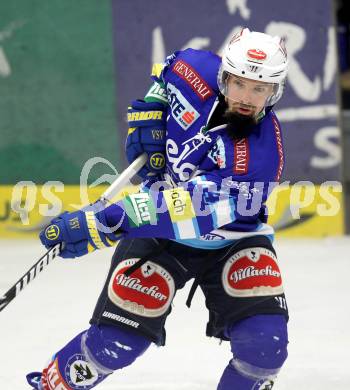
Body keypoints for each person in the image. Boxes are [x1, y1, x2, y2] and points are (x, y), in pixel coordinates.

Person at [27, 28, 289, 390]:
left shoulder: (261, 156)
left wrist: (106, 221)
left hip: (233, 240)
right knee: (114, 345)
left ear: (274, 92)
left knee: (265, 347)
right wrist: (151, 112)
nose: (247, 98)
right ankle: (50, 384)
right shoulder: (192, 67)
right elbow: (164, 74)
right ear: (223, 75)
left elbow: (187, 211)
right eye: (239, 84)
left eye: (260, 89)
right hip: (159, 237)